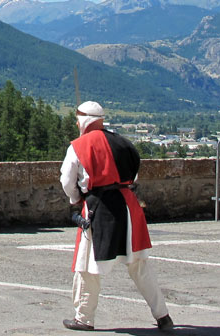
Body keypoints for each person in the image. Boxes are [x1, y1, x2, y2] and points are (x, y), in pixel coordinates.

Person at [59, 101, 172, 332]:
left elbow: (67, 181)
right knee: (140, 265)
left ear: (84, 119)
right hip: (129, 206)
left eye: (78, 118)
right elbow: (135, 173)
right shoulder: (124, 142)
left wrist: (76, 199)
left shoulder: (78, 146)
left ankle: (84, 318)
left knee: (87, 266)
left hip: (99, 208)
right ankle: (163, 316)